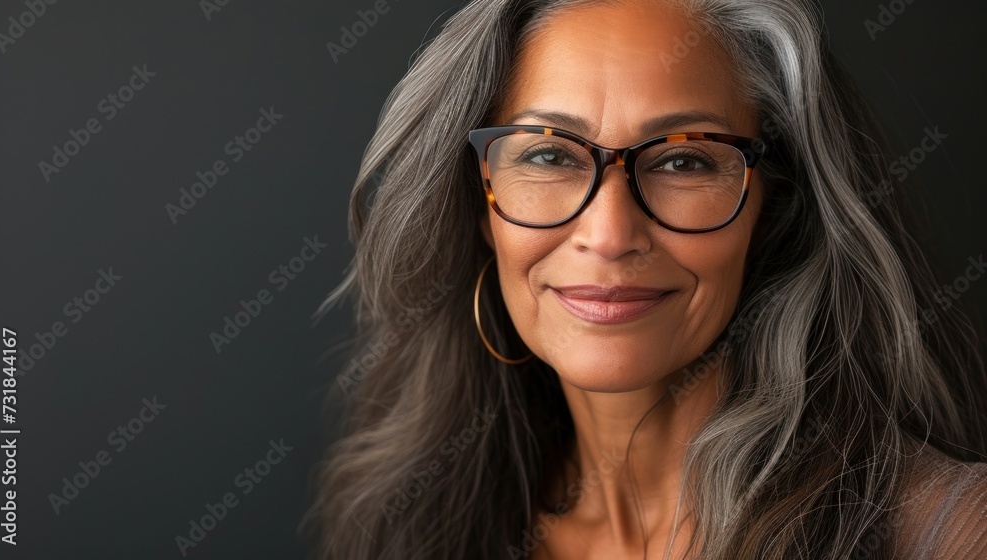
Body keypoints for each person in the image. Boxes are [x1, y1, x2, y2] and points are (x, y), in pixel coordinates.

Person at [302, 0, 987, 558]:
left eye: (685, 161)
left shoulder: (948, 534)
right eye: (547, 155)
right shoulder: (415, 525)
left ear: (770, 206)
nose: (608, 234)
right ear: (478, 207)